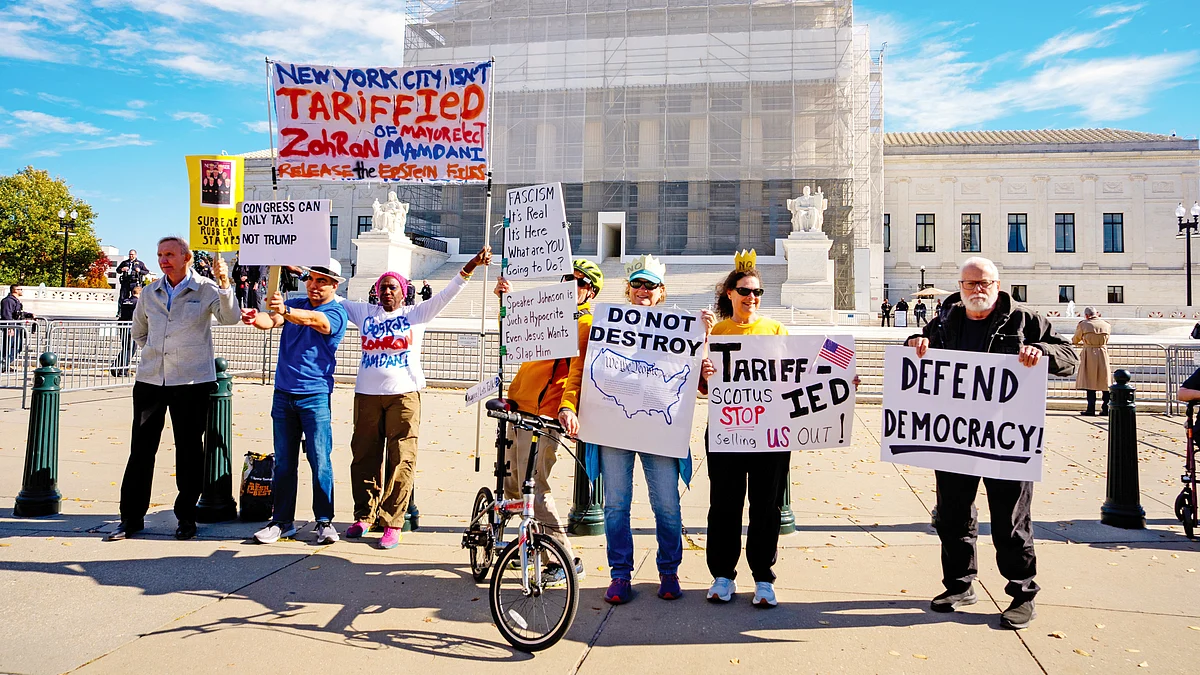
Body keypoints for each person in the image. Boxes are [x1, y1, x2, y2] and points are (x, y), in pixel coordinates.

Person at [906, 256, 1077, 630]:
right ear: (961, 287)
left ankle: (1022, 593)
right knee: (952, 517)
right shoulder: (946, 321)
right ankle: (959, 584)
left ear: (997, 285)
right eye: (970, 284)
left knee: (1010, 520)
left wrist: (1042, 352)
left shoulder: (1025, 321)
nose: (977, 290)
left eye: (984, 283)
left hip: (1006, 439)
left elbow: (1070, 359)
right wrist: (915, 340)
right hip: (954, 436)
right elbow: (918, 353)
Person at [558, 255, 715, 605]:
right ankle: (619, 574)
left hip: (658, 430)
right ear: (628, 290)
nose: (643, 290)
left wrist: (707, 338)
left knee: (667, 505)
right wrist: (569, 405)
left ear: (662, 292)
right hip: (614, 427)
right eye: (638, 284)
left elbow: (696, 386)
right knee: (616, 505)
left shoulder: (683, 328)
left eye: (651, 286)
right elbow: (580, 370)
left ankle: (669, 570)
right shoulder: (604, 324)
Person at [340, 246, 491, 549]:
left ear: (403, 291)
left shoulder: (416, 314)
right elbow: (332, 295)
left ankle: (393, 520)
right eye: (382, 287)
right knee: (364, 456)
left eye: (392, 287)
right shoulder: (363, 312)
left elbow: (449, 293)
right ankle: (364, 515)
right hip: (367, 396)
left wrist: (473, 264)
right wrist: (299, 269)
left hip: (404, 396)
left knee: (401, 459)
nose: (386, 291)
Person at [106, 237, 239, 542]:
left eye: (169, 254)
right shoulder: (151, 291)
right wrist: (156, 351)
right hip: (151, 380)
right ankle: (131, 518)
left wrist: (224, 282)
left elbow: (230, 318)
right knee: (140, 449)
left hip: (191, 382)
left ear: (186, 257)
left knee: (189, 450)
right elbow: (139, 330)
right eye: (160, 255)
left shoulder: (206, 288)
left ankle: (186, 517)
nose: (163, 260)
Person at [495, 258, 603, 581]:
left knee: (535, 488)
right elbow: (518, 330)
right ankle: (536, 550)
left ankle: (565, 559)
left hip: (544, 416)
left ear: (591, 292)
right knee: (512, 484)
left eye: (581, 282)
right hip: (517, 407)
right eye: (568, 278)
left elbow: (578, 374)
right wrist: (507, 299)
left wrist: (568, 407)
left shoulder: (586, 325)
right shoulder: (551, 313)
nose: (573, 285)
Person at [697, 252, 789, 608]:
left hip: (769, 431)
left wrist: (838, 377)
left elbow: (796, 376)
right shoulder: (717, 332)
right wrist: (704, 375)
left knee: (766, 507)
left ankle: (763, 578)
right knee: (724, 504)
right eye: (745, 291)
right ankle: (722, 575)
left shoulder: (775, 329)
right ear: (730, 294)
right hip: (727, 430)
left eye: (758, 292)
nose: (752, 297)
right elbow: (704, 388)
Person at [243, 258, 349, 546]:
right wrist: (256, 318)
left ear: (334, 285)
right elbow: (272, 320)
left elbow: (316, 321)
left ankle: (324, 521)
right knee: (285, 463)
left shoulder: (336, 311)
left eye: (321, 281)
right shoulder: (297, 303)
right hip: (284, 394)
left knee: (320, 461)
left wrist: (286, 310)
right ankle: (282, 521)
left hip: (315, 395)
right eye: (311, 279)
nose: (314, 285)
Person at [1073, 307, 1112, 416]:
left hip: (1089, 353)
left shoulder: (1083, 324)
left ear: (1086, 315)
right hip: (1103, 353)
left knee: (1090, 382)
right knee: (1105, 382)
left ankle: (1091, 409)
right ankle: (1106, 408)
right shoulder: (1106, 325)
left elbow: (1075, 339)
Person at [1, 285, 33, 372]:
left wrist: (30, 315)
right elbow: (6, 315)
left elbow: (18, 313)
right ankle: (3, 364)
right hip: (12, 327)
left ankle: (5, 364)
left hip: (16, 327)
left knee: (17, 347)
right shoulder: (8, 301)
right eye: (20, 289)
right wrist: (10, 327)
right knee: (8, 347)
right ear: (15, 290)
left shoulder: (15, 301)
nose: (22, 291)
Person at [111, 286, 140, 377]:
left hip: (123, 326)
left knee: (126, 348)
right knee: (130, 349)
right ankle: (123, 369)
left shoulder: (124, 301)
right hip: (132, 327)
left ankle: (116, 366)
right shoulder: (138, 302)